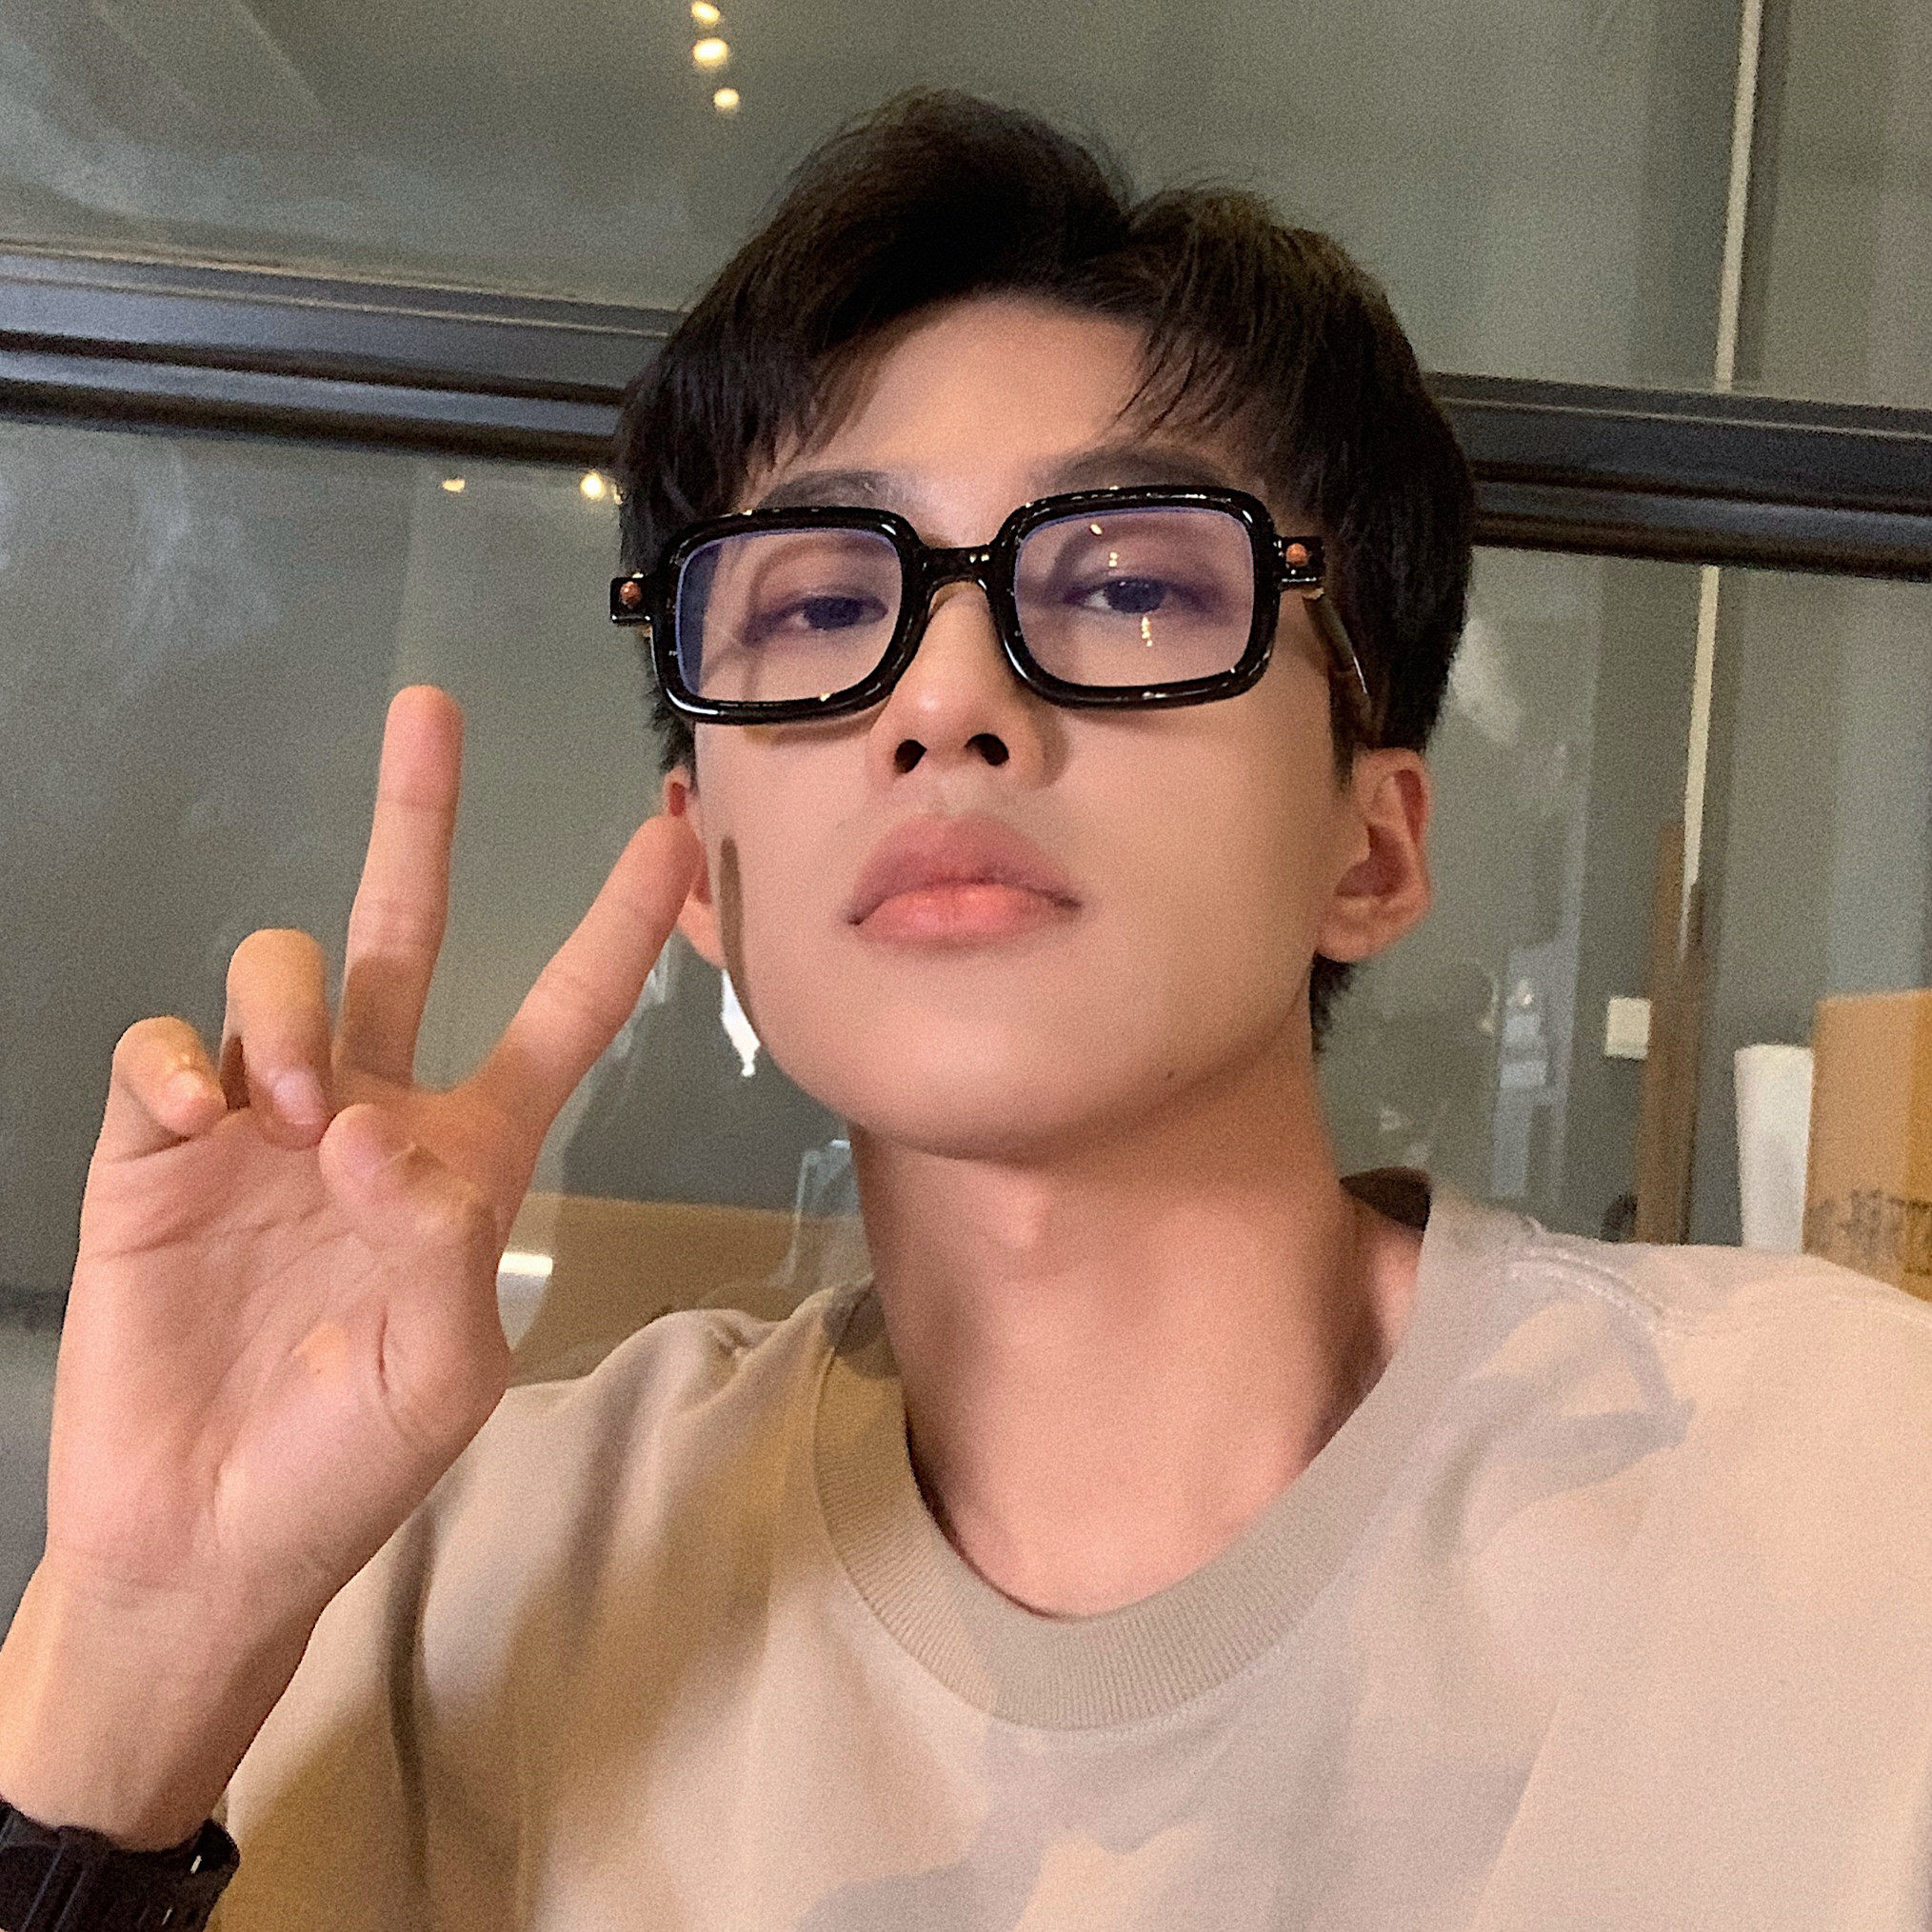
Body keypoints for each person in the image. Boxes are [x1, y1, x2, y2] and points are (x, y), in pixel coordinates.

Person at [3, 90, 1930, 1931]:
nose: (944, 698)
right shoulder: (469, 1569)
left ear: (1371, 842)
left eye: (1131, 584)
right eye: (816, 606)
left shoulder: (1848, 1499)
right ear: (703, 869)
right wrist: (142, 1628)